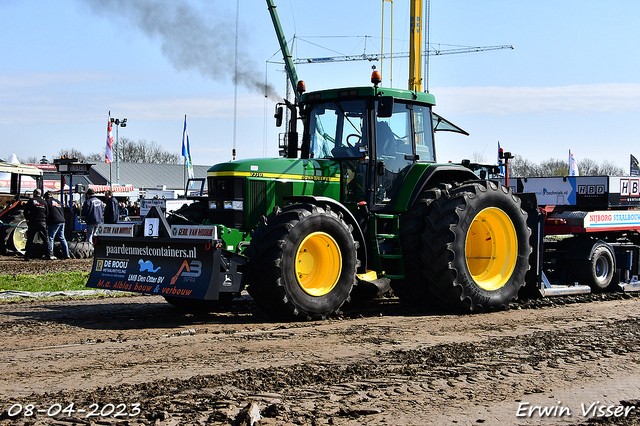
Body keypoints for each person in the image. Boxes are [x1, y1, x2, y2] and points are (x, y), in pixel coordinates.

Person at [24, 188, 55, 261]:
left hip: (33, 222)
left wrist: (27, 219)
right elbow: (47, 213)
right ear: (40, 194)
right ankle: (49, 254)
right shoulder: (44, 202)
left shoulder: (31, 201)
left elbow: (25, 211)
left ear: (34, 193)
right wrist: (44, 220)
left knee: (30, 239)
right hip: (42, 222)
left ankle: (27, 256)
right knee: (45, 239)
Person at [44, 192, 70, 259]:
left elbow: (46, 212)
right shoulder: (58, 202)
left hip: (54, 221)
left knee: (50, 237)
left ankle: (50, 254)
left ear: (46, 196)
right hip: (62, 220)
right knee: (62, 237)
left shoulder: (47, 202)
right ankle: (67, 254)